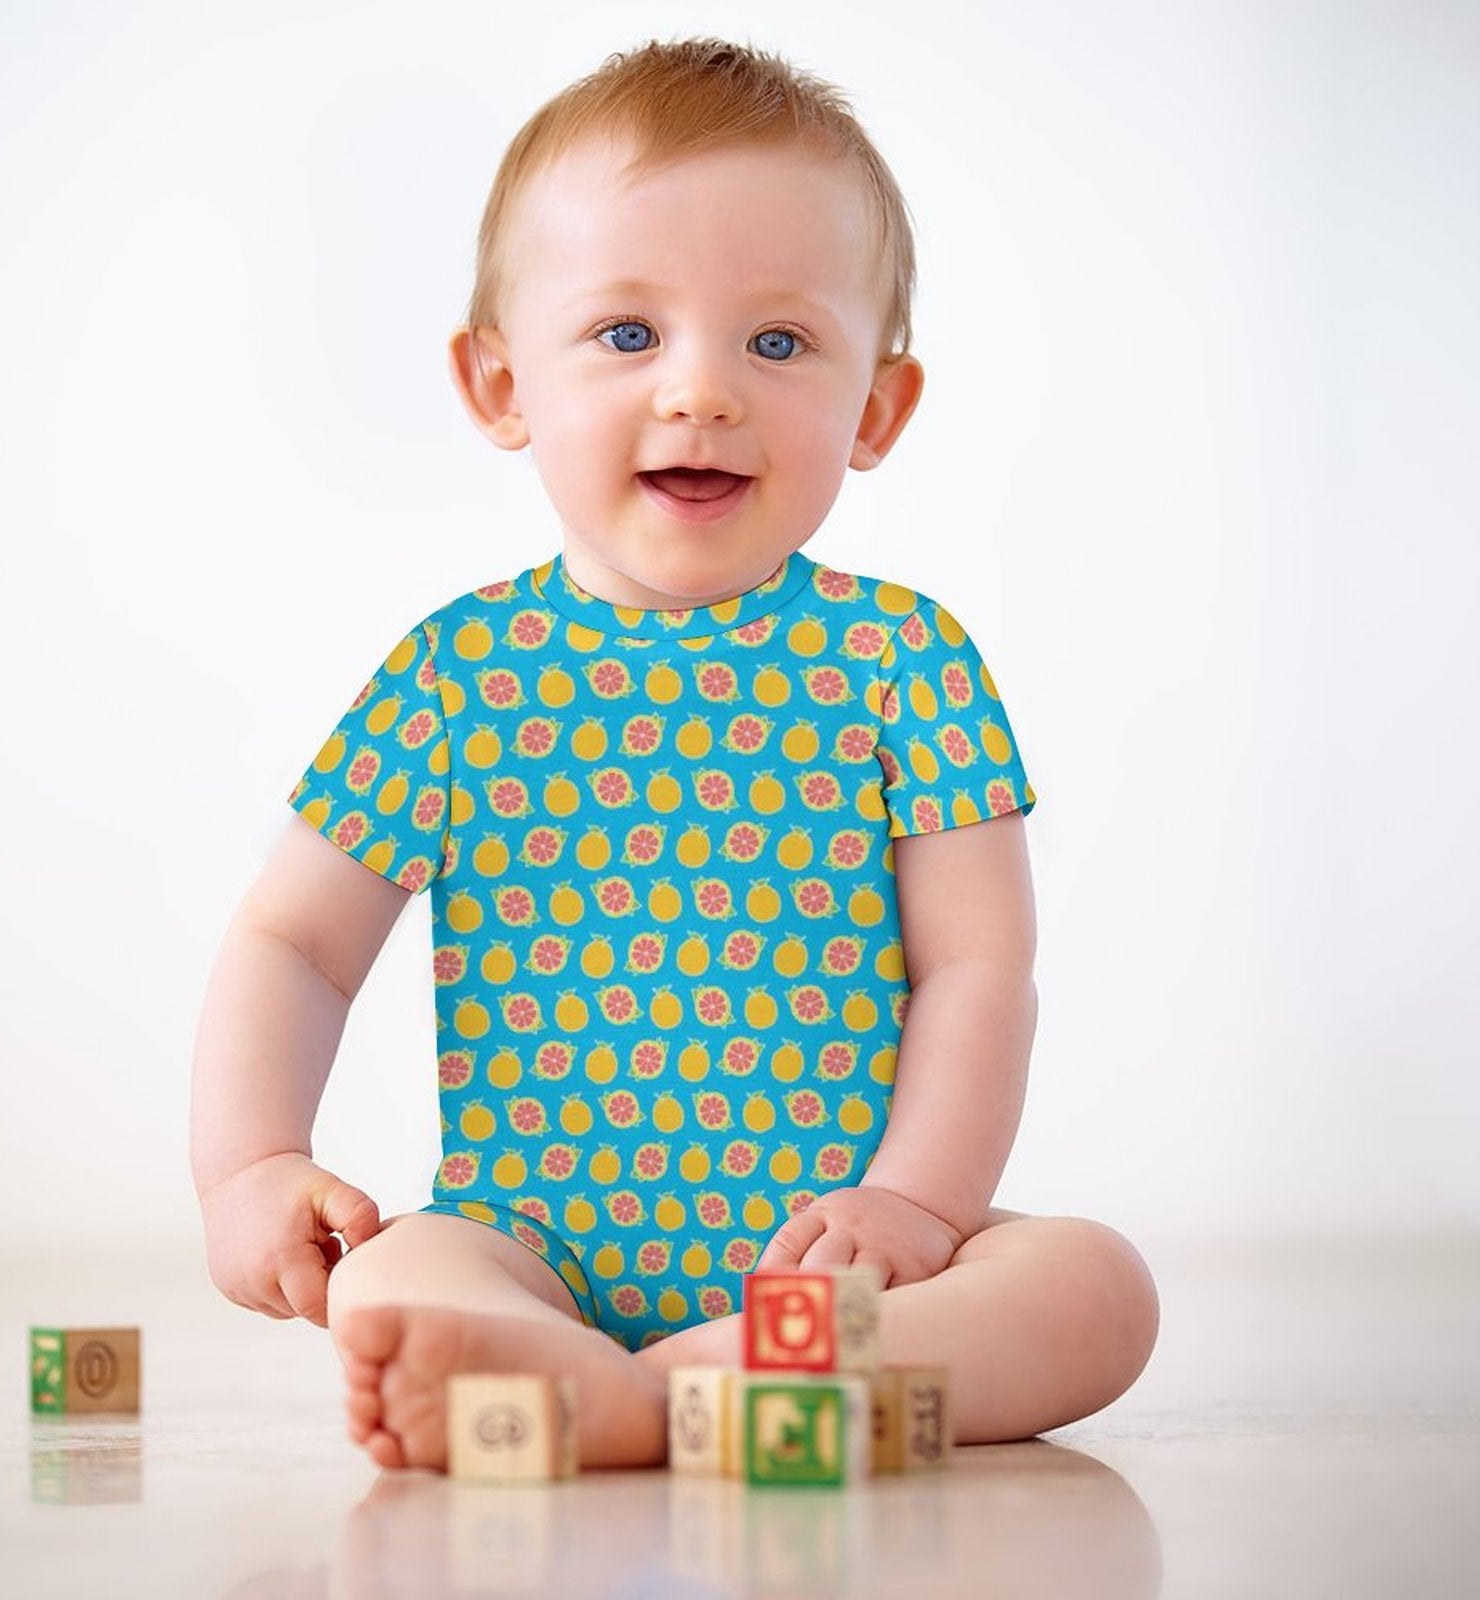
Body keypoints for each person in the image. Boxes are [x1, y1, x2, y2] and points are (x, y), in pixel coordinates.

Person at [191, 37, 1159, 1472]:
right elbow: (297, 941)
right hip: (531, 1242)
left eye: (778, 343)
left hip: (838, 1260)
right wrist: (251, 1165)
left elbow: (979, 966)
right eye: (628, 333)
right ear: (501, 384)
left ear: (875, 409)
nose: (702, 391)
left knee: (1095, 1290)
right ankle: (630, 1380)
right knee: (396, 1283)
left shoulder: (906, 664)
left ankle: (662, 1395)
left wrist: (916, 1207)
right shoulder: (455, 678)